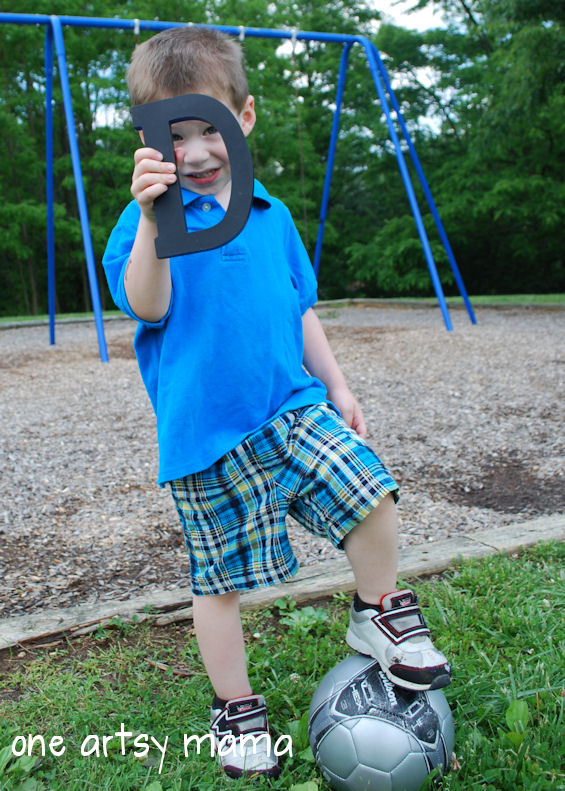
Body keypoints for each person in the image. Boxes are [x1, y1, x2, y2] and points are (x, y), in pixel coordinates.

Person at [103, 26, 451, 781]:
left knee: (369, 490)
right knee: (219, 583)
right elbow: (147, 305)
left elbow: (299, 309)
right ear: (149, 141)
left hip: (291, 408)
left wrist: (337, 383)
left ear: (244, 117)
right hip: (206, 438)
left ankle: (378, 608)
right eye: (174, 136)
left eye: (209, 129)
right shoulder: (148, 221)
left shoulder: (272, 214)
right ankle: (235, 706)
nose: (195, 152)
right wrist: (153, 222)